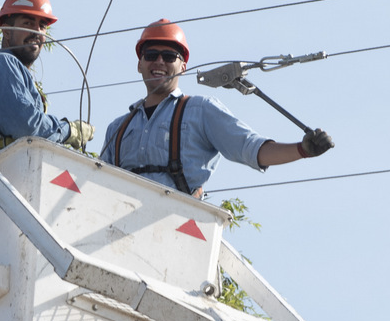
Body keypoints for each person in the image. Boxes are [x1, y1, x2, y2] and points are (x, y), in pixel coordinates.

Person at [101, 19, 333, 198]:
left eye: (170, 56)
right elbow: (97, 182)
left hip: (174, 224)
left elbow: (248, 147)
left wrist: (302, 150)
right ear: (140, 64)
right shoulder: (118, 129)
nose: (160, 61)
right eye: (151, 55)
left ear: (182, 66)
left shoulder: (199, 111)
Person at [0, 0, 93, 155]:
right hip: (3, 167)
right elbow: (26, 128)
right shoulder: (1, 64)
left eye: (42, 26)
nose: (36, 31)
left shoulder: (16, 72)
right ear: (6, 31)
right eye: (28, 23)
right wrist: (68, 130)